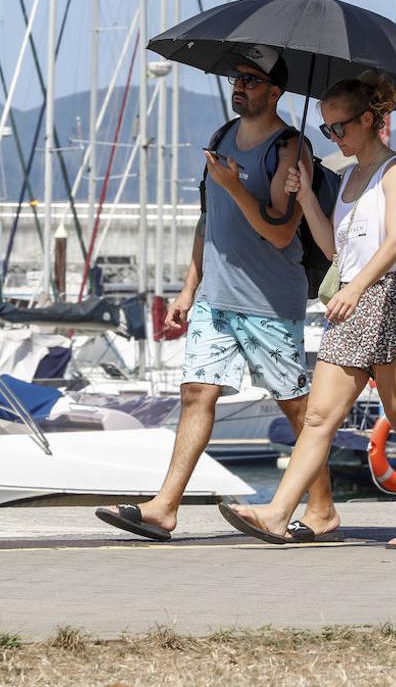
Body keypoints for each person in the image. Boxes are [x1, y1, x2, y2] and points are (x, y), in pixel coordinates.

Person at [96, 45, 332, 542]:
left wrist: (234, 183)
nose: (239, 86)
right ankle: (164, 507)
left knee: (294, 406)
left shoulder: (290, 148)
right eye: (236, 78)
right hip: (215, 299)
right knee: (196, 394)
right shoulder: (221, 137)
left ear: (275, 91)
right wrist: (188, 289)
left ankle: (323, 507)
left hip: (267, 301)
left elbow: (281, 232)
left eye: (251, 79)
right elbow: (210, 221)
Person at [217, 71, 396, 548]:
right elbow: (335, 248)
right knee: (320, 417)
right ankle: (279, 513)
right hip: (351, 302)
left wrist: (356, 288)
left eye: (339, 127)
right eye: (326, 130)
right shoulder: (347, 179)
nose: (334, 137)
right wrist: (306, 200)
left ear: (369, 119)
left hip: (391, 299)